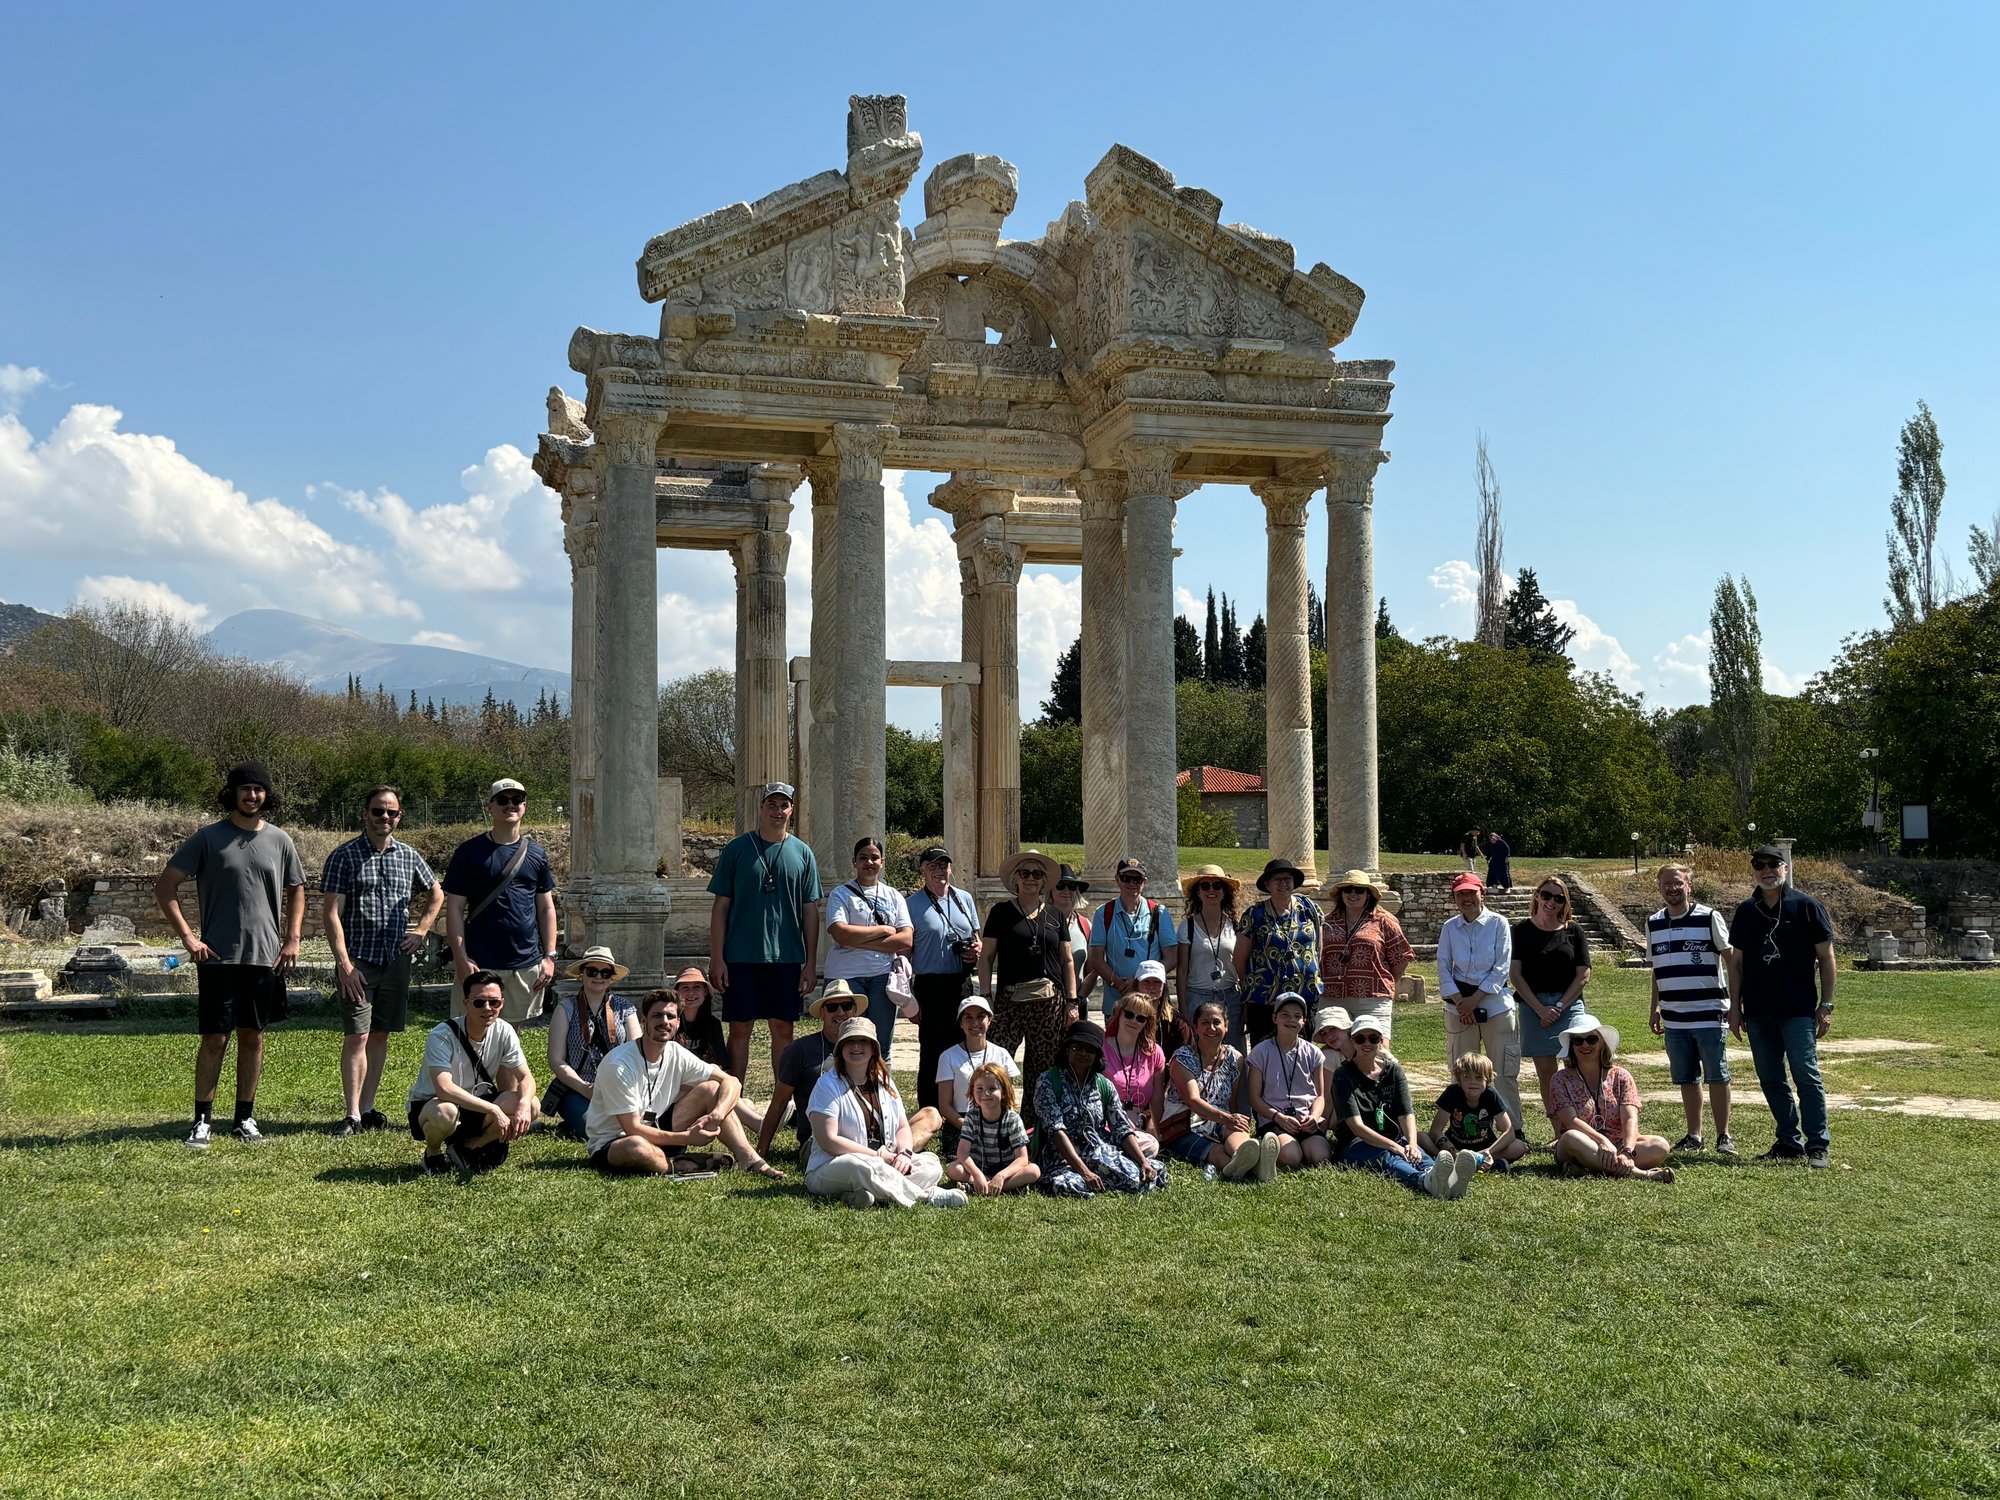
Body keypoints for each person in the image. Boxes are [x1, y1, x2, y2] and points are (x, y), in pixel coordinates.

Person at [155, 761, 306, 1149]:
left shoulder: (280, 840)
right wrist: (189, 938)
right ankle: (202, 1120)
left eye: (258, 790)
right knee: (214, 1038)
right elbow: (166, 886)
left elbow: (297, 889)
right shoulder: (207, 839)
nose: (252, 796)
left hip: (265, 958)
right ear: (232, 794)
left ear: (266, 796)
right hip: (218, 958)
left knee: (252, 1036)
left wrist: (292, 938)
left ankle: (244, 1118)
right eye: (245, 789)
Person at [320, 785, 444, 1137]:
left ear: (399, 817)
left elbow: (437, 893)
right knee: (356, 1036)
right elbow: (331, 913)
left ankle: (369, 1107)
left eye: (391, 812)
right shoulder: (343, 856)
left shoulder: (408, 856)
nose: (385, 818)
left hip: (395, 960)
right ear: (365, 814)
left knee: (380, 1035)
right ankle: (352, 1114)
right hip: (358, 961)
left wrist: (421, 930)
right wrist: (344, 964)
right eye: (378, 811)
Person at [582, 989, 784, 1179]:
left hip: (658, 1125)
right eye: (657, 1016)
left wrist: (717, 1114)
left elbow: (731, 1082)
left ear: (678, 1022)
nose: (664, 1022)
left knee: (713, 1088)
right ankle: (677, 1166)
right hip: (616, 1142)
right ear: (644, 1021)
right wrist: (687, 1138)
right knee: (637, 1147)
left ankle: (749, 1159)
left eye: (670, 1016)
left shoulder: (675, 1052)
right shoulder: (619, 1065)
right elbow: (633, 1129)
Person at [1726, 845, 1836, 1168]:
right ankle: (1789, 1140)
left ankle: (1818, 1145)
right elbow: (1737, 964)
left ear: (1785, 868)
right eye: (1759, 865)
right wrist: (1735, 1007)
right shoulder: (1747, 911)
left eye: (1773, 864)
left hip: (1798, 1009)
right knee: (1771, 1078)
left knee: (1806, 1075)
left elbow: (1827, 959)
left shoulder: (1807, 907)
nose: (1766, 870)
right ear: (1754, 872)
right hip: (1758, 1011)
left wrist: (1826, 1004)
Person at [708, 781, 822, 1084]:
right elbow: (720, 907)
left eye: (784, 805)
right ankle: (735, 1096)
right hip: (741, 956)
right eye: (771, 804)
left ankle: (782, 1099)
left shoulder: (803, 853)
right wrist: (717, 958)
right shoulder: (736, 849)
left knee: (783, 1029)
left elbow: (809, 911)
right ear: (761, 807)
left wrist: (810, 963)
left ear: (792, 810)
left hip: (785, 958)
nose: (778, 811)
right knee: (740, 1028)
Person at [805, 1017, 966, 1209]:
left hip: (883, 1160)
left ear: (874, 1048)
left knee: (930, 1165)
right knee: (860, 1166)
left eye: (863, 1040)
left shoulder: (883, 1080)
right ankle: (926, 1196)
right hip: (834, 1165)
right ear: (840, 1048)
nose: (856, 1046)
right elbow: (828, 1141)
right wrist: (876, 1155)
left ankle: (861, 1195)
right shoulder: (827, 1085)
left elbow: (902, 1126)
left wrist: (905, 1154)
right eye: (850, 1041)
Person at [442, 778, 557, 1023]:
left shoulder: (536, 854)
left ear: (524, 806)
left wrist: (549, 956)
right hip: (478, 962)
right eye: (503, 800)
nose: (510, 805)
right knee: (472, 1034)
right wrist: (461, 958)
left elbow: (546, 907)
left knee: (511, 1038)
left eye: (517, 800)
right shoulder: (468, 852)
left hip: (524, 962)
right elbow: (454, 909)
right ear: (490, 807)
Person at [1329, 1014, 1477, 1199]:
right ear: (1353, 1041)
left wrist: (1413, 1144)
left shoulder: (1393, 1070)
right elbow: (1356, 1127)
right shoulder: (1343, 1075)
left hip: (1394, 1136)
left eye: (1373, 1038)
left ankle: (1450, 1182)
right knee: (1388, 1158)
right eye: (1360, 1038)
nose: (1367, 1043)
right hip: (1356, 1144)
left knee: (1420, 1156)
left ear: (1381, 1041)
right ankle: (1425, 1181)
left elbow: (1406, 1114)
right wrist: (1395, 1147)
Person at [408, 970, 537, 1175]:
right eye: (479, 1003)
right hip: (433, 1105)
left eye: (494, 1002)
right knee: (446, 1112)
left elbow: (526, 1078)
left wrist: (522, 1105)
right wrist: (495, 1110)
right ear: (466, 1003)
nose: (487, 1008)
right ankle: (432, 1153)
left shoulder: (504, 1030)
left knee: (531, 1104)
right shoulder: (442, 1035)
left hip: (476, 1103)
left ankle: (470, 1147)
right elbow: (444, 1089)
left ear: (502, 1003)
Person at [1647, 863, 1737, 1155]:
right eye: (1666, 885)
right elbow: (1656, 970)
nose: (1672, 889)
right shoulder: (1654, 922)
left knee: (1717, 1075)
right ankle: (1694, 1135)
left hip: (1709, 1012)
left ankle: (1724, 1135)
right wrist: (1655, 1007)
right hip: (1674, 1018)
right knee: (1686, 1077)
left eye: (1677, 883)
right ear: (1659, 888)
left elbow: (1731, 960)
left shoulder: (1709, 917)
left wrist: (1736, 1004)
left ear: (1689, 886)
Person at [979, 849, 1077, 1111]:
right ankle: (997, 1120)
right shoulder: (1000, 912)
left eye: (1037, 874)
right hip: (1008, 1000)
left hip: (1049, 1002)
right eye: (1025, 873)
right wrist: (986, 996)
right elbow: (987, 957)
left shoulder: (1056, 915)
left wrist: (1072, 1001)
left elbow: (1067, 960)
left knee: (1042, 1069)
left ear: (1045, 881)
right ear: (1016, 879)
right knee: (997, 1064)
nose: (1031, 878)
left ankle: (1035, 1131)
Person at [1035, 1021, 1168, 1198]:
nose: (1083, 1053)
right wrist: (1084, 1172)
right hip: (1063, 1158)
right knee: (1065, 1185)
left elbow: (1121, 1128)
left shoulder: (1103, 1085)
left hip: (1100, 1151)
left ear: (1097, 1055)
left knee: (1150, 1172)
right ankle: (1099, 1181)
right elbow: (1056, 1130)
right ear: (1066, 1049)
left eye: (1089, 1050)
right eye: (1077, 1047)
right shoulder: (1048, 1082)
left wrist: (1143, 1162)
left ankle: (1110, 1181)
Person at [1436, 872, 1526, 1134]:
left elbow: (1501, 966)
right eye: (1460, 894)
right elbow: (1443, 966)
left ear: (1482, 893)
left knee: (1503, 1071)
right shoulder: (1450, 927)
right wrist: (1459, 1001)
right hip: (1459, 1006)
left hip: (1495, 1005)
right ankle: (1463, 1128)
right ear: (1454, 898)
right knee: (1461, 1069)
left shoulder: (1499, 923)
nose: (1466, 898)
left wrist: (1473, 1000)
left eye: (1471, 892)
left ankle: (1513, 1130)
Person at [1547, 1014, 1674, 1183]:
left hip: (1619, 1145)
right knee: (1571, 1137)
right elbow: (1571, 1121)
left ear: (1601, 1043)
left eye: (1591, 1039)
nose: (1585, 1045)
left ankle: (1590, 1169)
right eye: (1578, 1041)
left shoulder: (1621, 1076)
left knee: (1660, 1145)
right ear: (1571, 1045)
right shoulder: (1560, 1079)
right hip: (1579, 1145)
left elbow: (1630, 1118)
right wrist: (1602, 1141)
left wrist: (1627, 1151)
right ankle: (1640, 1174)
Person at [1511, 875, 1592, 1130]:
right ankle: (1559, 1130)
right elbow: (1515, 974)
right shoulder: (1521, 931)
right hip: (1533, 1007)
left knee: (1576, 1066)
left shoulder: (1574, 930)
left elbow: (1584, 974)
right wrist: (1540, 1009)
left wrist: (1558, 1007)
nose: (1551, 902)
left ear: (1564, 902)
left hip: (1568, 1005)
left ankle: (1584, 1126)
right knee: (1546, 1072)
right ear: (1536, 895)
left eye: (1559, 898)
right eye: (1546, 895)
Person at [824, 835, 914, 1062]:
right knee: (846, 1042)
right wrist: (884, 930)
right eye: (863, 858)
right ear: (854, 861)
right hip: (846, 976)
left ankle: (881, 1095)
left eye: (874, 858)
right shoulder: (840, 894)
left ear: (882, 862)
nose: (869, 862)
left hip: (881, 976)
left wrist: (856, 940)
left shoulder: (893, 895)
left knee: (880, 1046)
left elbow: (905, 940)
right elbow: (840, 933)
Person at [907, 845, 983, 1113]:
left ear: (951, 868)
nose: (939, 870)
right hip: (929, 984)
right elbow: (905, 953)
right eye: (933, 865)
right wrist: (909, 997)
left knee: (962, 1045)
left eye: (944, 865)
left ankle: (960, 1105)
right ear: (923, 869)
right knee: (932, 1050)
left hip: (960, 981)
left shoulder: (964, 898)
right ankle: (929, 1109)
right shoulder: (911, 905)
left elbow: (976, 939)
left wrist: (975, 951)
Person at [1161, 999, 1268, 1182]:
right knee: (1218, 1152)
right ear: (1195, 1028)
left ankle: (1246, 1156)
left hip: (1219, 1120)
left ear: (1226, 1026)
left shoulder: (1235, 1058)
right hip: (1185, 1124)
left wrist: (1235, 1123)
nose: (1211, 1028)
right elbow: (1192, 1101)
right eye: (1205, 1023)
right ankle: (1253, 1167)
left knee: (1239, 1136)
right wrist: (1228, 1118)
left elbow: (1231, 1101)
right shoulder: (1182, 1058)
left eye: (1217, 1022)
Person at [542, 946, 641, 1139]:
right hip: (578, 1088)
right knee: (593, 1128)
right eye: (592, 971)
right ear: (582, 974)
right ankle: (574, 1122)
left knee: (636, 1124)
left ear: (611, 977)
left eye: (605, 972)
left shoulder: (625, 1008)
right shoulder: (566, 1008)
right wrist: (584, 1088)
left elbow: (637, 1052)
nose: (599, 977)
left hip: (619, 1086)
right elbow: (556, 1059)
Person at [757, 979, 858, 1160]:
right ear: (822, 1013)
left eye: (846, 1005)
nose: (841, 1012)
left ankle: (897, 1155)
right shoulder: (799, 1050)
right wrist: (759, 1153)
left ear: (855, 1010)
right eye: (832, 1007)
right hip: (820, 1140)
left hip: (862, 1134)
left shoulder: (866, 1047)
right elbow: (779, 1102)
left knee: (926, 1116)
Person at [666, 965, 767, 1136]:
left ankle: (748, 1118)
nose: (691, 993)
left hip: (705, 1089)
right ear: (676, 994)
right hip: (675, 1090)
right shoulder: (670, 1023)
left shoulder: (712, 1024)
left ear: (705, 992)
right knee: (719, 1086)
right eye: (685, 988)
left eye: (697, 987)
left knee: (743, 1100)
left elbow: (721, 1064)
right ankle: (759, 1124)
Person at [1232, 858, 1323, 1046]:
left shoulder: (1309, 909)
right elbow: (1239, 960)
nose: (1283, 883)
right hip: (1265, 1001)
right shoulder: (1254, 915)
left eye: (1287, 879)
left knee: (1301, 1052)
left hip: (1304, 996)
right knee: (1265, 1055)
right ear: (1267, 884)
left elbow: (1318, 950)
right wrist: (1252, 987)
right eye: (1277, 880)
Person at [1318, 868, 1413, 1033]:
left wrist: (1383, 980)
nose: (1352, 893)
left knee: (1375, 1049)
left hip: (1372, 997)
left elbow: (1401, 957)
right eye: (1347, 889)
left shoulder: (1385, 922)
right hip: (1332, 996)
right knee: (1336, 1050)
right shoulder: (1326, 922)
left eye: (1359, 890)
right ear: (1341, 893)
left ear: (1368, 894)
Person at [1086, 856, 1179, 1022]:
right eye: (1126, 878)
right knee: (1117, 1047)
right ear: (1117, 880)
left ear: (1144, 882)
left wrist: (1139, 981)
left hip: (1152, 1002)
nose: (1132, 883)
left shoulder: (1159, 913)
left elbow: (1171, 957)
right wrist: (1117, 982)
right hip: (1116, 1001)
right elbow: (1096, 958)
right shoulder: (1104, 913)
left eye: (1137, 879)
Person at [1247, 991, 1330, 1170]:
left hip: (1305, 1119)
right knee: (1291, 1158)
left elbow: (1320, 1096)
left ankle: (1292, 1144)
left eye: (1297, 1016)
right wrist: (1278, 1117)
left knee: (1321, 1157)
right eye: (1285, 1015)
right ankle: (1268, 1147)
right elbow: (1254, 1098)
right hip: (1274, 1118)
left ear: (1304, 1021)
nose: (1291, 1020)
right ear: (1274, 1018)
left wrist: (1314, 1117)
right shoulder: (1260, 1052)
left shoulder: (1314, 1053)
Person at [934, 992, 1022, 1150]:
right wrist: (970, 1128)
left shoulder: (1002, 1054)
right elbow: (945, 1106)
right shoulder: (948, 1057)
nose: (975, 1023)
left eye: (980, 1016)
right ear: (961, 1023)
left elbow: (1008, 1099)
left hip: (996, 1122)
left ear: (989, 1021)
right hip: (962, 1123)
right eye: (968, 1017)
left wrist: (996, 1127)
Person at [1419, 1050, 1526, 1169]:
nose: (1473, 1082)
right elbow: (1435, 1130)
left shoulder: (1491, 1095)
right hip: (1454, 1145)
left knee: (1519, 1146)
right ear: (1459, 1078)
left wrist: (1488, 1152)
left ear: (1488, 1079)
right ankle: (1455, 1160)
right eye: (1466, 1077)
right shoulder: (1452, 1092)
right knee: (1421, 1136)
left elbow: (1509, 1132)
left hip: (1485, 1146)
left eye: (1479, 1077)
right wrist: (1453, 1151)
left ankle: (1482, 1161)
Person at [946, 1063, 1042, 1196]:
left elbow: (1022, 1158)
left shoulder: (1012, 1119)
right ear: (972, 1092)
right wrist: (977, 1174)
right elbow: (962, 1153)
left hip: (1006, 1170)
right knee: (953, 1169)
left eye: (992, 1088)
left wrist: (1002, 1176)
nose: (985, 1093)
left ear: (1003, 1092)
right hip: (979, 1168)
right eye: (979, 1088)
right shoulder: (971, 1116)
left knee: (1034, 1170)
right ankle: (991, 1186)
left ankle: (984, 1188)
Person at [1177, 863, 1243, 1049]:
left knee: (1233, 1053)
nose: (1211, 890)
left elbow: (1241, 965)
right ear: (1197, 892)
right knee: (1197, 1052)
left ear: (1225, 892)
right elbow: (1182, 970)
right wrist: (1183, 1007)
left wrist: (1245, 1003)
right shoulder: (1187, 927)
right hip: (1197, 997)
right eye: (1205, 886)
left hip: (1230, 996)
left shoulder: (1236, 925)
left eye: (1217, 885)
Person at [1101, 991, 1168, 1159]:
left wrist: (1157, 1131)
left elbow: (1157, 1099)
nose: (1133, 1021)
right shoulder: (1100, 1047)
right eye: (1129, 1014)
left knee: (1152, 1145)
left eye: (1141, 1018)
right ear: (1119, 1013)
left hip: (1136, 1127)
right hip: (1103, 1121)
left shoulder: (1154, 1053)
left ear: (1147, 1022)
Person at [1052, 866, 1096, 1015]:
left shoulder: (1085, 925)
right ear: (1050, 891)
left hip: (1077, 1004)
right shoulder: (1040, 923)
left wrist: (1080, 998)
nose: (1066, 890)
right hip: (1046, 1004)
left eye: (1071, 886)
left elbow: (1092, 969)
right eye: (1060, 885)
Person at [1310, 1004, 1355, 1068]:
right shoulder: (1328, 1056)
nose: (1329, 1036)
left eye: (1333, 1028)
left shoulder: (1367, 1046)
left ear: (1347, 1028)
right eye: (1323, 1033)